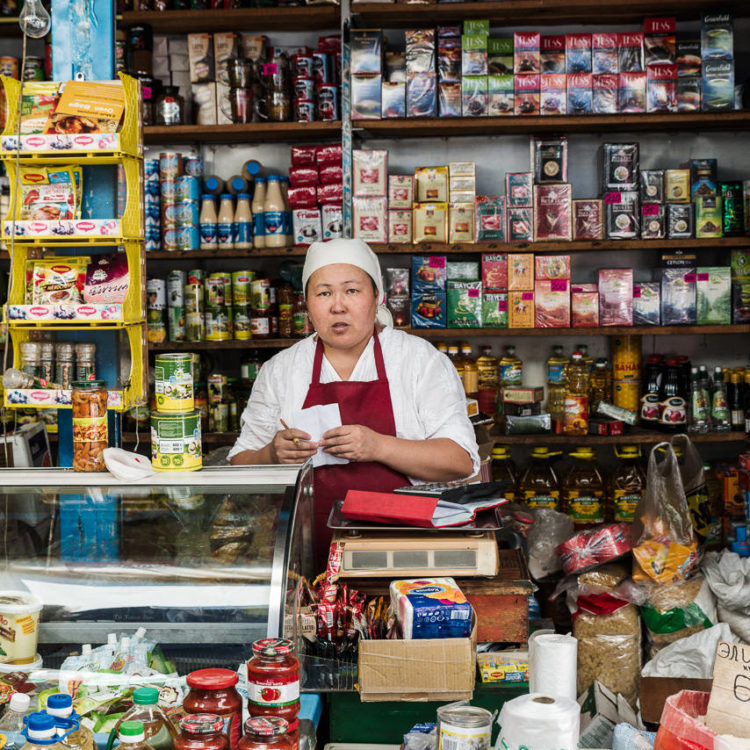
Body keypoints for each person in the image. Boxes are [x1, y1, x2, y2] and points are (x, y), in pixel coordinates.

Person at [228, 238, 480, 562]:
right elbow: (239, 465)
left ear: (378, 297)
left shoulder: (419, 360)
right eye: (323, 293)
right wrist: (271, 454)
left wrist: (378, 447)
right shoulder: (282, 370)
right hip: (305, 558)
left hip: (406, 556)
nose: (337, 306)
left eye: (352, 290)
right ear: (306, 303)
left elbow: (460, 461)